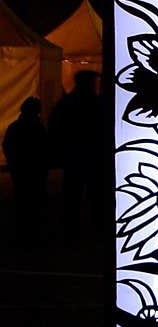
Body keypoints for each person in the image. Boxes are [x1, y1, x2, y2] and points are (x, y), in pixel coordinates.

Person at [48, 69, 103, 241]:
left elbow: (54, 129)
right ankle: (95, 230)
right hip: (89, 156)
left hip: (73, 156)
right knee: (93, 196)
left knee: (73, 197)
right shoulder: (95, 104)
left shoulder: (67, 104)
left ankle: (72, 232)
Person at [2, 96, 49, 245]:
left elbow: (7, 146)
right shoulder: (37, 127)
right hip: (34, 170)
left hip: (21, 169)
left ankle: (23, 232)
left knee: (22, 201)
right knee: (34, 202)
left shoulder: (15, 127)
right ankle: (32, 233)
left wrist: (13, 162)